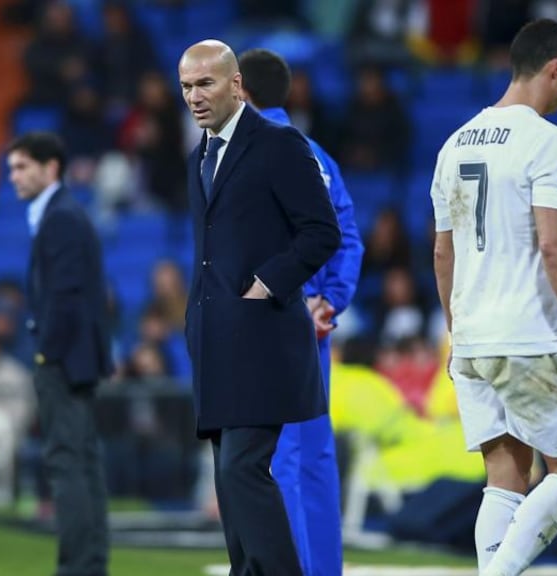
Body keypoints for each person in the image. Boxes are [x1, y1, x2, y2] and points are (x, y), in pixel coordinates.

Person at [430, 19, 557, 576]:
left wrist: (458, 333)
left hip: (474, 337)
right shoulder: (549, 142)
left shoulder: (453, 144)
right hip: (531, 335)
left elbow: (442, 254)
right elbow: (555, 245)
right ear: (554, 66)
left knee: (504, 478)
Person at [178, 40, 341, 575]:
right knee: (229, 476)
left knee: (245, 469)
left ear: (236, 84)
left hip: (263, 338)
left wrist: (268, 283)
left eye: (204, 83)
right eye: (186, 86)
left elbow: (322, 231)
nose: (194, 96)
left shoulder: (279, 144)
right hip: (215, 337)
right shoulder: (197, 156)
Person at [238, 48, 364, 576]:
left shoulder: (249, 153)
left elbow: (246, 246)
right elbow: (346, 235)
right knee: (313, 457)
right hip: (314, 327)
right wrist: (329, 301)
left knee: (275, 459)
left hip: (272, 321)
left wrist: (288, 299)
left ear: (238, 88)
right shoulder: (317, 154)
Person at [7, 131, 112, 576]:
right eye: (12, 168)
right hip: (76, 357)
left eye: (22, 167)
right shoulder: (60, 213)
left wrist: (46, 353)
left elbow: (65, 296)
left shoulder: (60, 217)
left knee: (69, 463)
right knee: (82, 462)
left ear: (51, 168)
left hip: (65, 361)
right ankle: (89, 563)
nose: (14, 176)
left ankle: (78, 567)